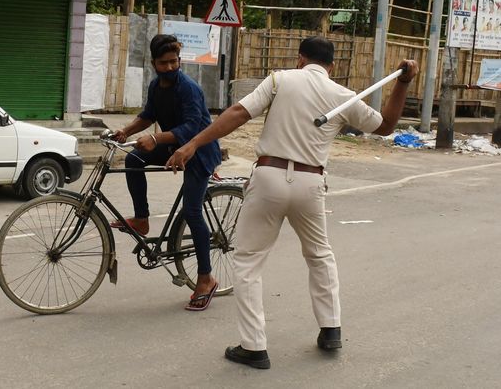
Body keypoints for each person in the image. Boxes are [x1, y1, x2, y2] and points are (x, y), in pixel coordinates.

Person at [166, 36, 418, 369]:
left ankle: (254, 347)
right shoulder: (343, 96)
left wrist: (193, 144)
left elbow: (240, 112)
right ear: (330, 66)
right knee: (319, 255)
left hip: (269, 177)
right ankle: (331, 330)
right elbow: (386, 126)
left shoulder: (280, 79)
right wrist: (402, 83)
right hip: (311, 182)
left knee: (249, 261)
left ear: (301, 59)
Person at [110, 34, 222, 311]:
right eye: (164, 63)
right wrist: (127, 131)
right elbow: (148, 115)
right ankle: (141, 219)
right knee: (134, 158)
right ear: (153, 63)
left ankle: (206, 278)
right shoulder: (155, 86)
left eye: (174, 62)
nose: (171, 67)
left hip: (198, 150)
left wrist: (157, 139)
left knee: (192, 211)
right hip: (174, 145)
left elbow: (193, 127)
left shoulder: (189, 88)